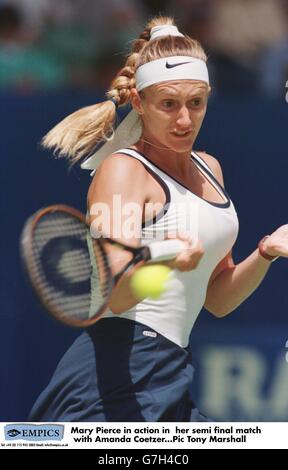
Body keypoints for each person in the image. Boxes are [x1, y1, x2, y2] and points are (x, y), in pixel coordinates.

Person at [28, 15, 288, 422]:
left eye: (195, 102)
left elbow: (217, 298)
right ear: (139, 102)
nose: (184, 120)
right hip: (114, 378)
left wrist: (266, 253)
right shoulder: (123, 172)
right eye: (168, 104)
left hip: (168, 371)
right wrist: (166, 257)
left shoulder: (211, 169)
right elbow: (117, 293)